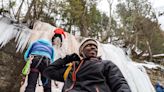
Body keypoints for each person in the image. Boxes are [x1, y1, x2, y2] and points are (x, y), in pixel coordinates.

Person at [43, 38, 131, 92]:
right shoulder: (72, 68)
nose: (93, 47)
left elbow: (119, 83)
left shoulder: (106, 64)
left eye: (95, 46)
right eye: (89, 45)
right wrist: (67, 58)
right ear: (81, 51)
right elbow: (48, 71)